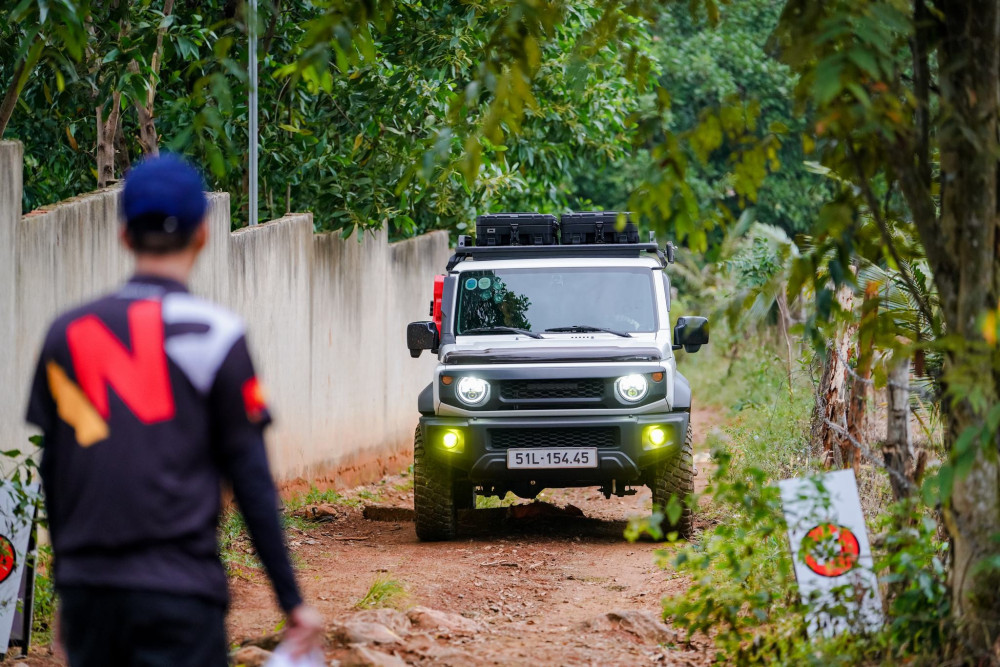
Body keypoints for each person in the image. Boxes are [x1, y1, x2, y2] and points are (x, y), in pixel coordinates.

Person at [24, 154, 324, 666]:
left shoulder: (67, 334)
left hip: (91, 596)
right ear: (203, 234)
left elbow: (55, 472)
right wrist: (292, 602)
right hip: (180, 595)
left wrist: (66, 594)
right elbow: (250, 479)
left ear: (123, 235)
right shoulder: (218, 335)